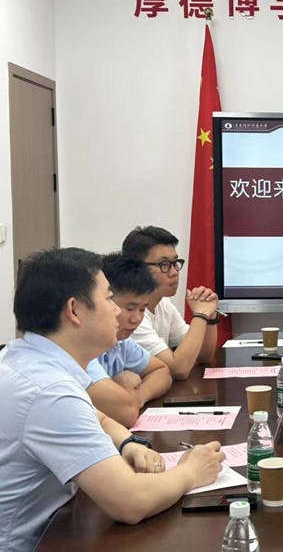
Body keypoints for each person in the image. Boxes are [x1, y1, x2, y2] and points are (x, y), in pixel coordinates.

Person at [0, 248, 225, 552]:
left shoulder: (24, 357)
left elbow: (99, 418)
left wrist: (128, 443)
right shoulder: (50, 392)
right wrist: (191, 471)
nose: (118, 312)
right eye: (109, 299)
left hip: (61, 528)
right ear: (74, 310)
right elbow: (130, 502)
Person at [85, 253, 173, 427]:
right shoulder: (83, 347)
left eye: (142, 309)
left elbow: (162, 371)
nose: (136, 319)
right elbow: (125, 412)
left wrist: (138, 396)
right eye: (129, 308)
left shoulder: (122, 341)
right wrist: (124, 389)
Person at [122, 226, 219, 379]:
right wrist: (200, 314)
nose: (174, 272)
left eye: (175, 263)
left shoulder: (163, 304)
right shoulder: (131, 316)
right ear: (137, 268)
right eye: (164, 265)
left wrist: (210, 316)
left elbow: (204, 355)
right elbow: (178, 369)